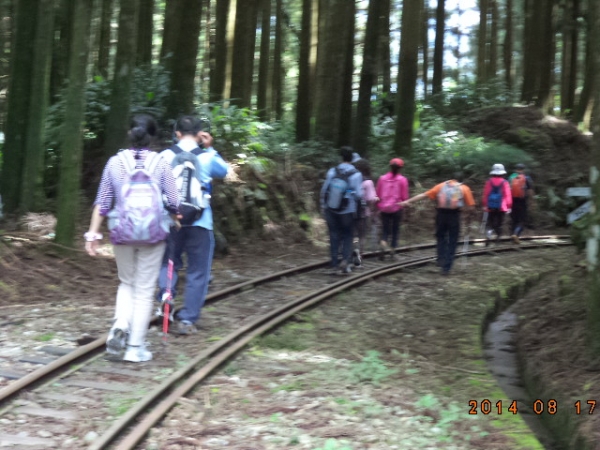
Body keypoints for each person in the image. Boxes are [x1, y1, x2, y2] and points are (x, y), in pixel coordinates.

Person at [85, 114, 180, 362]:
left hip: (122, 231)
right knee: (145, 288)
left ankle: (120, 325)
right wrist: (176, 218)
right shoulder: (161, 164)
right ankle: (135, 348)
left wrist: (93, 235)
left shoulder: (115, 163)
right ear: (153, 137)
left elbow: (103, 202)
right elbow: (174, 200)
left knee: (126, 282)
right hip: (154, 233)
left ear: (130, 134)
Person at [156, 116, 229, 335]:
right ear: (200, 134)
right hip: (201, 222)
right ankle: (187, 319)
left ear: (177, 133)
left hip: (171, 221)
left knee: (168, 263)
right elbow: (224, 172)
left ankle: (166, 299)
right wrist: (210, 147)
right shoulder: (207, 157)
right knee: (199, 270)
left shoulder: (164, 156)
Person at [400, 174, 475, 275]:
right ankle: (446, 268)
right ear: (459, 180)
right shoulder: (463, 188)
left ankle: (441, 259)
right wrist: (466, 214)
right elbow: (471, 207)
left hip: (441, 215)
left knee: (441, 237)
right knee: (452, 240)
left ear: (449, 179)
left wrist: (407, 201)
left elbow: (423, 195)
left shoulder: (441, 186)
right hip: (454, 216)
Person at [320, 146, 363, 274]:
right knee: (347, 235)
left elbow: (324, 189)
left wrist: (323, 205)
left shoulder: (332, 171)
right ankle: (345, 261)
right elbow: (359, 195)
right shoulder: (356, 174)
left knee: (333, 235)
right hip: (347, 210)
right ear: (353, 159)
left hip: (331, 208)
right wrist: (350, 192)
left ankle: (334, 263)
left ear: (341, 157)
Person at [375, 158, 409, 257]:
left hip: (384, 208)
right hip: (397, 208)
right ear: (400, 168)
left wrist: (379, 205)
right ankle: (393, 251)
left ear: (390, 166)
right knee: (395, 229)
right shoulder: (403, 180)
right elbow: (404, 197)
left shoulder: (382, 178)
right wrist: (404, 205)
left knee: (385, 229)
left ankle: (383, 242)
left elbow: (378, 194)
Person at [352, 158, 378, 263]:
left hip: (350, 211)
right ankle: (359, 254)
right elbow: (371, 199)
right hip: (363, 212)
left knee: (353, 234)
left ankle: (353, 250)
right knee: (362, 235)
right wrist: (376, 200)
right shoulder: (368, 182)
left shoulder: (352, 179)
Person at [482, 163, 512, 246]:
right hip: (501, 206)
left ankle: (488, 237)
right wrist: (509, 206)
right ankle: (498, 240)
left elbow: (486, 194)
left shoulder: (488, 182)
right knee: (499, 223)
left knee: (490, 222)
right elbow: (507, 195)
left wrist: (485, 205)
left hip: (490, 206)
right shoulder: (505, 182)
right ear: (502, 173)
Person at [508, 163, 534, 244]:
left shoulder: (511, 177)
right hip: (522, 201)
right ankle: (516, 234)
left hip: (512, 201)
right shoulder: (527, 178)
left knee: (513, 219)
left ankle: (512, 236)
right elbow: (530, 190)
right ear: (523, 169)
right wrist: (532, 201)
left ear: (516, 169)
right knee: (522, 219)